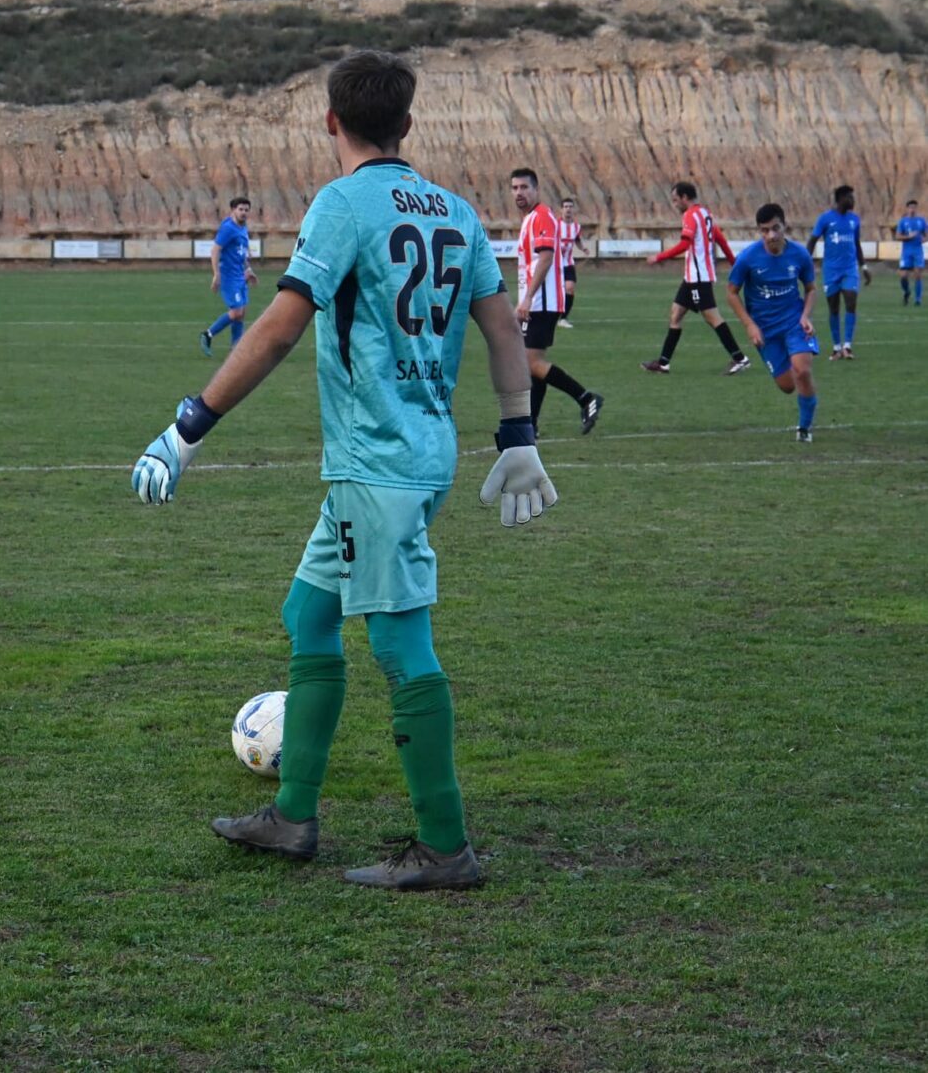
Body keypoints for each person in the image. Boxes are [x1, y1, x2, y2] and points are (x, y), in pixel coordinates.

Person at [132, 50, 559, 892]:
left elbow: (281, 328)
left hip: (379, 464)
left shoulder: (341, 205)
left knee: (400, 645)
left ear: (331, 121)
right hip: (417, 452)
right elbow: (503, 327)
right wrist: (516, 431)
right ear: (406, 125)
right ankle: (291, 817)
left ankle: (445, 847)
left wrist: (191, 425)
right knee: (306, 614)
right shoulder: (455, 211)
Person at [511, 169, 603, 434]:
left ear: (536, 189)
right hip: (537, 301)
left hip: (542, 302)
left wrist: (527, 298)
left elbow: (547, 257)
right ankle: (532, 423)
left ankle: (586, 399)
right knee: (533, 364)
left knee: (532, 363)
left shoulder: (541, 216)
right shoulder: (530, 219)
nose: (519, 193)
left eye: (524, 187)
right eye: (515, 188)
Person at [724, 204, 821, 443]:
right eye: (765, 230)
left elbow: (811, 289)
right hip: (765, 330)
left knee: (803, 371)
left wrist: (805, 315)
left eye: (776, 228)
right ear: (759, 231)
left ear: (784, 226)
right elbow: (731, 293)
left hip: (794, 322)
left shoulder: (799, 254)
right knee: (787, 385)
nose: (771, 235)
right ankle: (793, 379)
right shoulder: (748, 258)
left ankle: (804, 428)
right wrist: (749, 325)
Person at [641, 182, 750, 375]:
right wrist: (735, 264)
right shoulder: (705, 214)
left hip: (699, 277)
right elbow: (721, 239)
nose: (674, 204)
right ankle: (663, 363)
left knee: (712, 317)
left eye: (675, 200)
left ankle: (740, 358)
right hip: (692, 276)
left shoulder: (690, 215)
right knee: (675, 314)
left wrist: (659, 257)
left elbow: (684, 244)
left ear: (685, 197)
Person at [807, 184, 870, 359]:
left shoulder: (854, 220)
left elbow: (856, 244)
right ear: (840, 199)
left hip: (850, 269)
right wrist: (805, 263)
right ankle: (836, 347)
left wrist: (863, 267)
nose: (853, 200)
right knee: (833, 308)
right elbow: (812, 241)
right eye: (850, 197)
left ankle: (847, 346)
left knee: (851, 302)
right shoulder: (825, 219)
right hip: (831, 270)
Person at [198, 197, 258, 356]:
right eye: (241, 209)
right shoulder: (228, 228)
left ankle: (236, 349)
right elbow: (215, 250)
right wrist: (216, 274)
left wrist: (248, 269)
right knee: (237, 312)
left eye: (246, 210)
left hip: (240, 275)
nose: (244, 213)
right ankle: (208, 334)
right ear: (233, 210)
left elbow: (241, 253)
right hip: (228, 277)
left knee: (242, 312)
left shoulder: (243, 228)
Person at [557, 197, 587, 328]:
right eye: (566, 207)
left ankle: (563, 318)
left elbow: (578, 240)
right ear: (561, 209)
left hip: (568, 263)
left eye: (570, 207)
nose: (568, 209)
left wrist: (583, 248)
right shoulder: (555, 224)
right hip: (554, 264)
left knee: (570, 288)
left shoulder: (576, 227)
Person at [896, 199, 924, 307]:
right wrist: (908, 236)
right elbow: (898, 236)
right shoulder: (903, 221)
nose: (912, 209)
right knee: (903, 276)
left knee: (917, 275)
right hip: (906, 252)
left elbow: (926, 235)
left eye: (914, 207)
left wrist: (924, 239)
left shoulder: (921, 221)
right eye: (911, 207)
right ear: (907, 208)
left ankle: (918, 299)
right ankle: (907, 291)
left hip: (917, 251)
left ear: (916, 208)